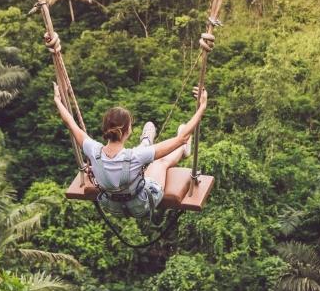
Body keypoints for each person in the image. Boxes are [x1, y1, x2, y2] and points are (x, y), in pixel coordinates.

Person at [51, 32, 208, 218]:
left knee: (145, 160)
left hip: (113, 206)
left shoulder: (92, 150)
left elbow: (70, 122)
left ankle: (147, 139)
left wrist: (58, 100)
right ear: (127, 131)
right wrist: (202, 106)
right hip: (141, 204)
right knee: (161, 162)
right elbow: (182, 138)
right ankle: (155, 142)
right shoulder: (136, 157)